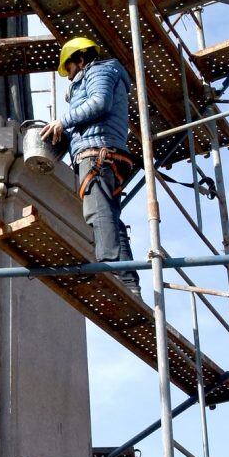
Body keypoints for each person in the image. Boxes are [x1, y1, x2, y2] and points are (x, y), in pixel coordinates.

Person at [40, 38, 141, 297]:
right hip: (105, 153)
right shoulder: (105, 73)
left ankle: (110, 267)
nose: (69, 78)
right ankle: (128, 280)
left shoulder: (99, 70)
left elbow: (99, 102)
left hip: (99, 155)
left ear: (81, 60)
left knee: (98, 213)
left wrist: (63, 120)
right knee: (109, 217)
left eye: (70, 69)